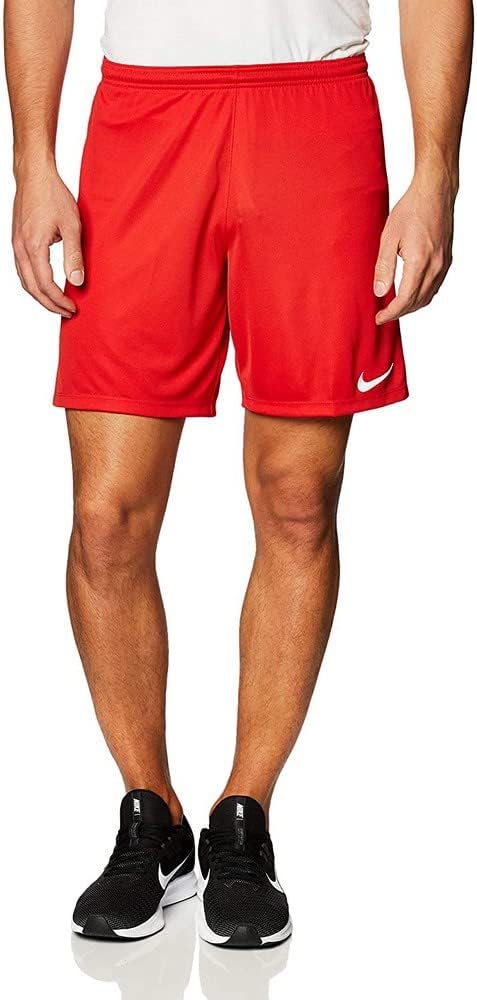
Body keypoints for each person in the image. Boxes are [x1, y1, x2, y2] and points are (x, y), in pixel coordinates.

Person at [5, 0, 473, 948]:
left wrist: (435, 175)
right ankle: (152, 815)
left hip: (314, 116)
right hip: (144, 119)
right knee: (107, 514)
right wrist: (32, 160)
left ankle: (243, 818)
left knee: (298, 501)